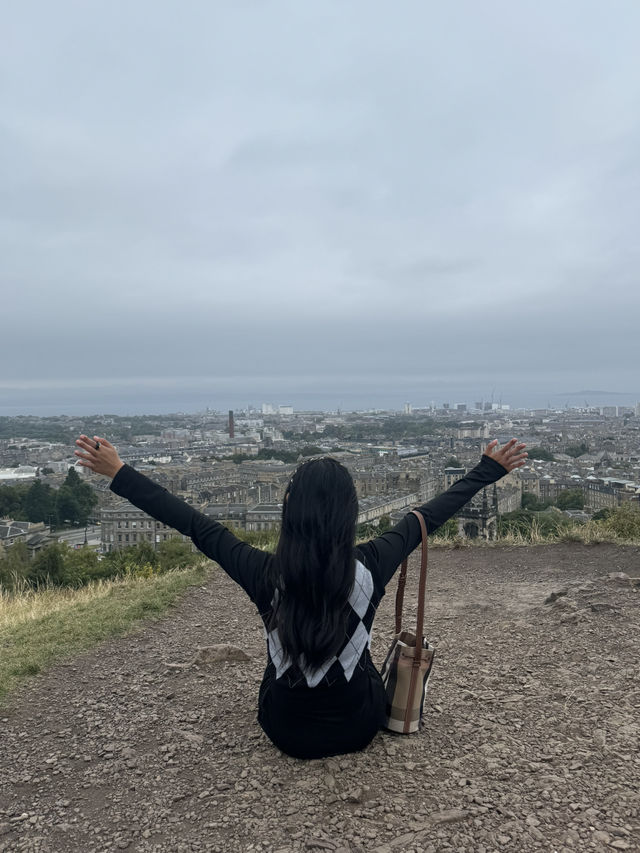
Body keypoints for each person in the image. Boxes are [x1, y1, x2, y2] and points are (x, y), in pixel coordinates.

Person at [75, 434, 527, 759]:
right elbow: (429, 515)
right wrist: (489, 469)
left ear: (290, 510)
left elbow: (195, 525)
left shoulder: (264, 573)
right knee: (360, 656)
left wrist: (119, 472)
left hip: (284, 730)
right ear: (349, 513)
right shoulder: (373, 563)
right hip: (359, 726)